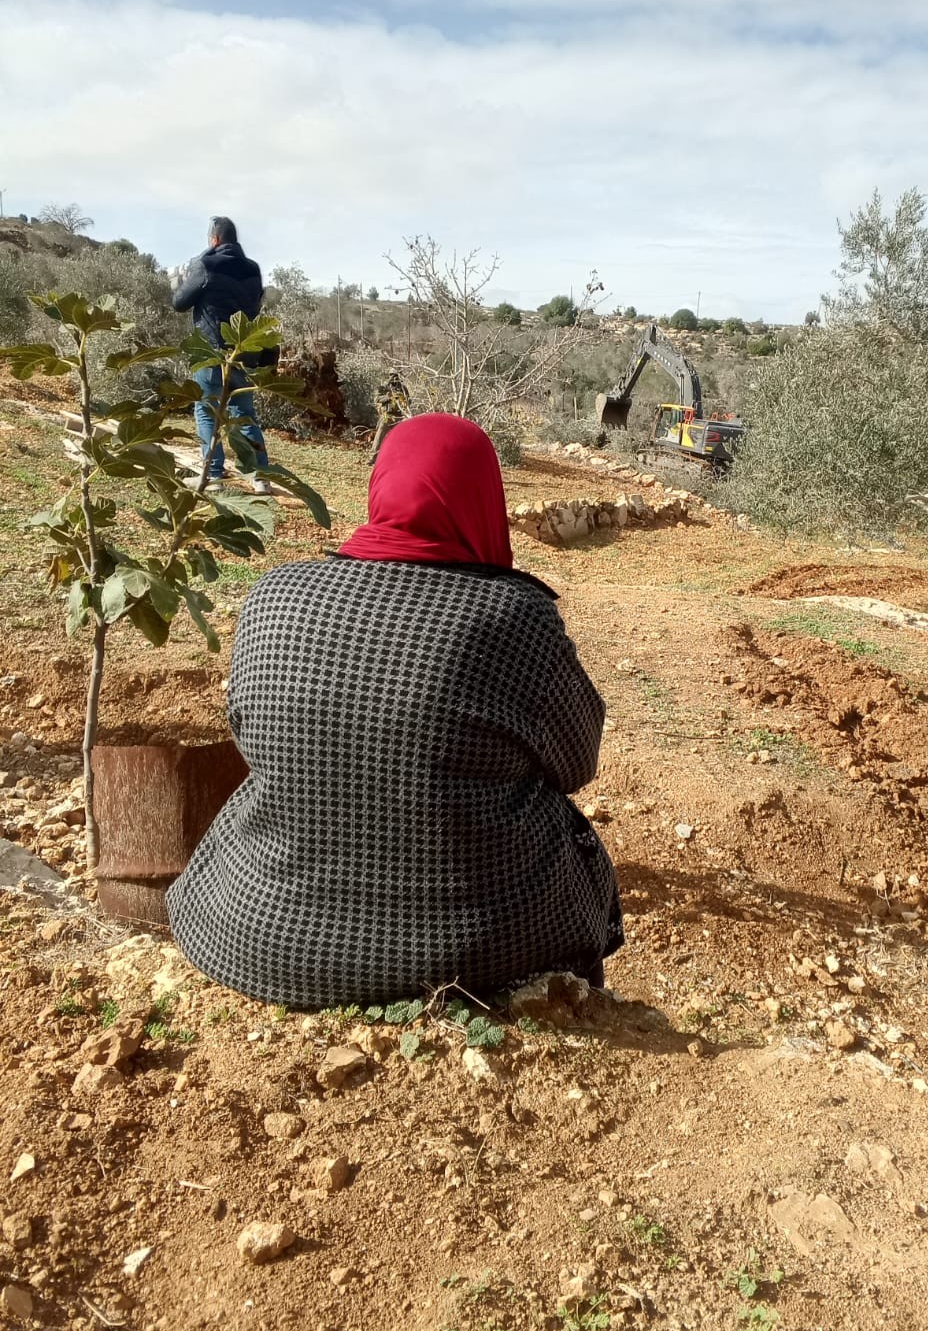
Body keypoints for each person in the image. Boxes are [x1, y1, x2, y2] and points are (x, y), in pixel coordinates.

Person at [167, 413, 623, 1009]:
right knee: (570, 838)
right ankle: (574, 1001)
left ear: (380, 484)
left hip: (258, 929)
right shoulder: (513, 619)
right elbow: (576, 762)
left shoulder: (274, 597)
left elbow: (250, 735)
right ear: (484, 495)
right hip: (479, 948)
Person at [171, 216, 276, 493]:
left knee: (206, 409)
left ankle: (213, 475)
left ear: (214, 239)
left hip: (211, 351)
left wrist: (190, 269)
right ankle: (260, 477)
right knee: (244, 414)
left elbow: (179, 302)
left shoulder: (205, 265)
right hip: (243, 352)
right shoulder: (253, 269)